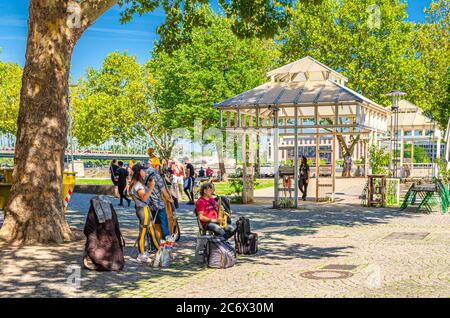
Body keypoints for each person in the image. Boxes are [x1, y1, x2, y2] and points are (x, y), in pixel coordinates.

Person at [129, 163, 159, 263]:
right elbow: (144, 197)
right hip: (143, 210)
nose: (145, 172)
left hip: (144, 209)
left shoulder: (137, 183)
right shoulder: (137, 184)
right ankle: (141, 254)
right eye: (143, 170)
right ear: (138, 172)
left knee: (152, 231)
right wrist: (151, 187)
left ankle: (160, 251)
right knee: (143, 232)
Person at [145, 157, 172, 242]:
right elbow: (164, 192)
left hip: (148, 204)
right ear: (155, 166)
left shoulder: (144, 175)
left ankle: (152, 242)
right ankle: (166, 243)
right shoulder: (156, 176)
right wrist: (170, 199)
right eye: (158, 166)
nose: (158, 168)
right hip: (158, 204)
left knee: (151, 224)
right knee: (164, 224)